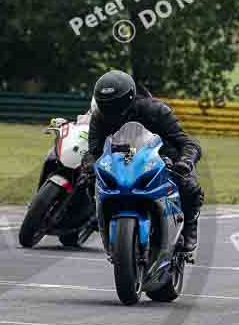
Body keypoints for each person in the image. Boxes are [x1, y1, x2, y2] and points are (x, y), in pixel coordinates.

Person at [83, 70, 204, 252]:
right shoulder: (99, 118)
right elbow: (94, 151)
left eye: (114, 104)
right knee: (89, 180)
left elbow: (187, 142)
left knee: (188, 186)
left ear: (129, 97)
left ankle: (188, 227)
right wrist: (90, 166)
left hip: (164, 159)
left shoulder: (155, 110)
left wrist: (185, 162)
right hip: (123, 161)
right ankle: (100, 219)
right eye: (105, 105)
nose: (110, 110)